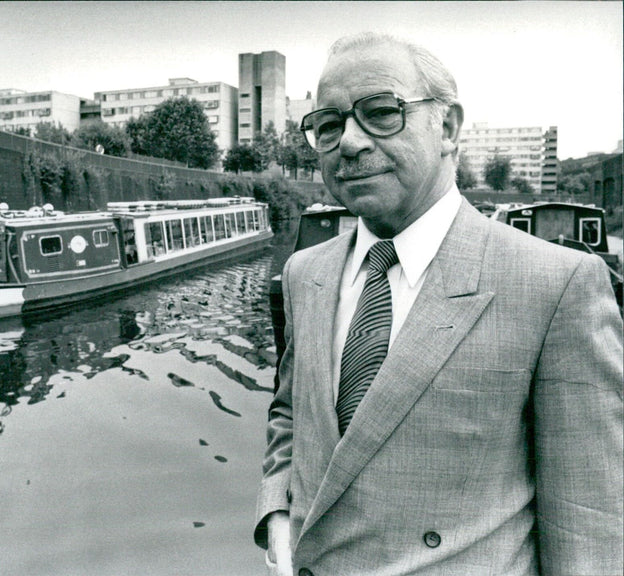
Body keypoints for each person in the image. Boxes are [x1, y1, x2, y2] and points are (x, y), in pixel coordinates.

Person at [255, 32, 622, 576]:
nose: (349, 142)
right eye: (329, 125)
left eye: (381, 113)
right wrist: (278, 511)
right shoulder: (303, 273)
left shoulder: (558, 285)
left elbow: (587, 525)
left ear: (447, 128)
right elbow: (290, 412)